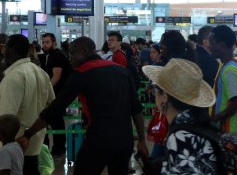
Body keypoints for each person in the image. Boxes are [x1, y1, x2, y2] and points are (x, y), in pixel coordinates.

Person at [18, 37, 148, 175]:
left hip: (98, 140)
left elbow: (56, 108)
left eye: (72, 54)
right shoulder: (121, 71)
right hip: (124, 140)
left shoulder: (83, 72)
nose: (70, 59)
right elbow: (137, 109)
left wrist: (28, 134)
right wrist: (141, 140)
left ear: (85, 51)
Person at [142, 58, 217, 174]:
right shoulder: (195, 122)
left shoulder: (181, 137)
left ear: (165, 96)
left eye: (155, 89)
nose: (154, 94)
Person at [0, 34, 55, 175]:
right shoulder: (41, 73)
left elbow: (6, 117)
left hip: (13, 145)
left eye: (5, 48)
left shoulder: (14, 77)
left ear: (11, 50)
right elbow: (51, 106)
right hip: (34, 141)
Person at [209, 25, 237, 133]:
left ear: (221, 45)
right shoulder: (229, 63)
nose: (209, 47)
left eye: (211, 44)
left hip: (230, 133)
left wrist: (214, 119)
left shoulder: (230, 70)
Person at [41, 33, 73, 158]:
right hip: (57, 92)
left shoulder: (57, 56)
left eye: (47, 42)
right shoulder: (51, 55)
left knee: (56, 120)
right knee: (55, 120)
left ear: (54, 42)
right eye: (43, 42)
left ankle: (59, 149)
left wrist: (46, 91)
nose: (45, 45)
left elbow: (57, 76)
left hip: (57, 93)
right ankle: (57, 148)